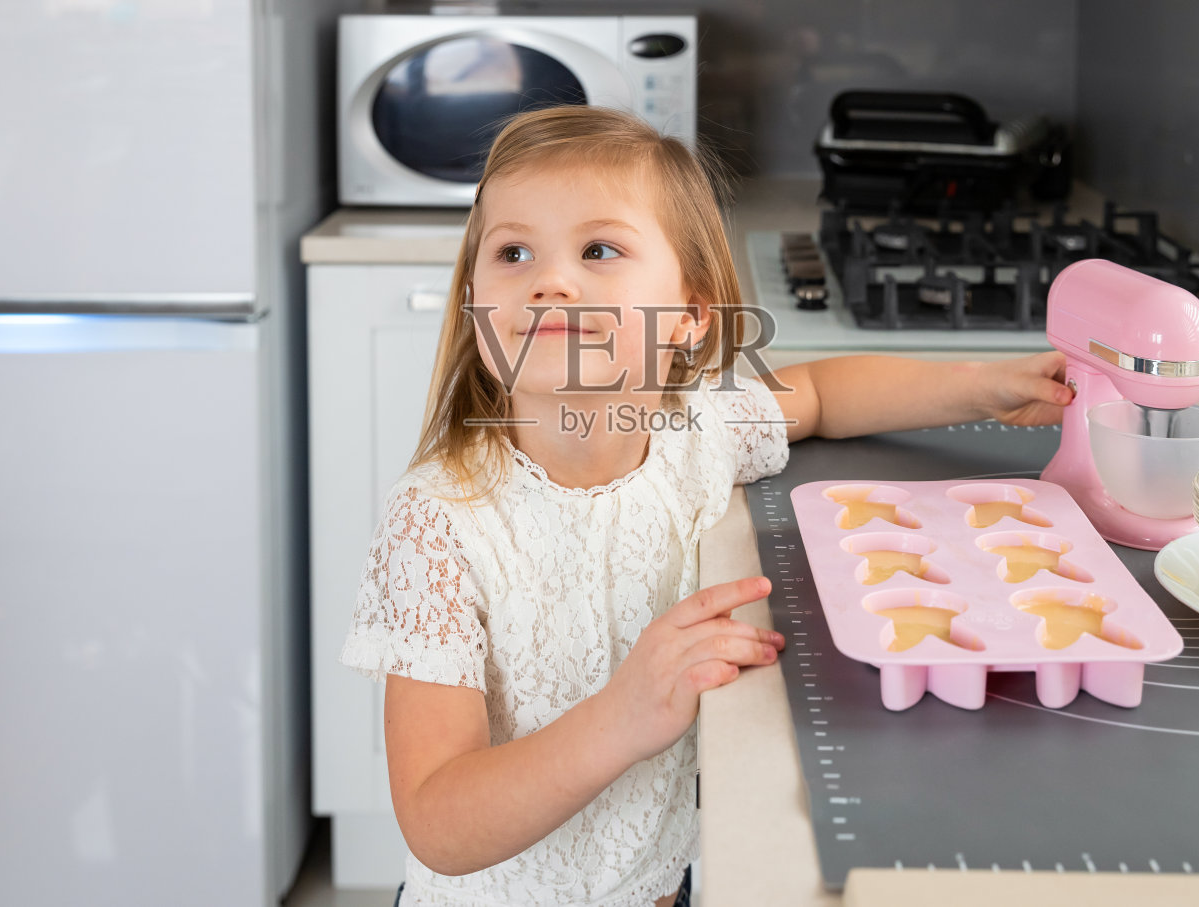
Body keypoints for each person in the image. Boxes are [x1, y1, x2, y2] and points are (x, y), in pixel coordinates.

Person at [340, 106, 1072, 906]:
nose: (549, 281)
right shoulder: (438, 521)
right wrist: (622, 715)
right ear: (474, 300)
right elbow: (437, 819)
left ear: (688, 315)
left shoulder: (696, 433)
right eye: (513, 252)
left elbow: (822, 394)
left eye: (598, 249)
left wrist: (980, 387)